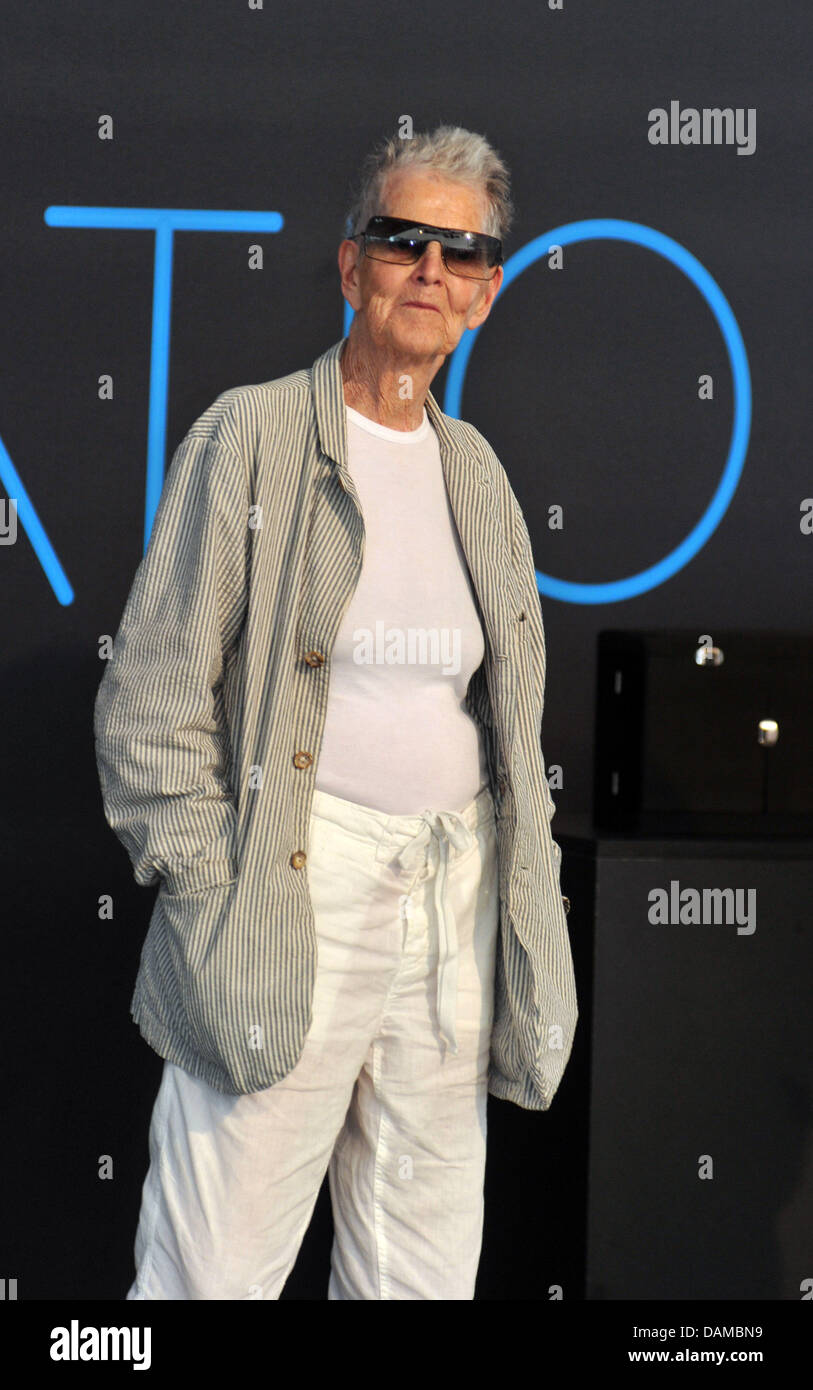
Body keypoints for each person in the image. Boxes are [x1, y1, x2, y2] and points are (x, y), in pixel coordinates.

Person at [94, 123, 578, 1301]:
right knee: (211, 1272)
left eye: (461, 252)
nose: (431, 269)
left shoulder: (479, 475)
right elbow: (149, 703)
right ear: (353, 263)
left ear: (487, 294)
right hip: (292, 892)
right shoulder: (248, 437)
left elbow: (507, 724)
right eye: (403, 240)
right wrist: (222, 893)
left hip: (451, 900)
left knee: (420, 1271)